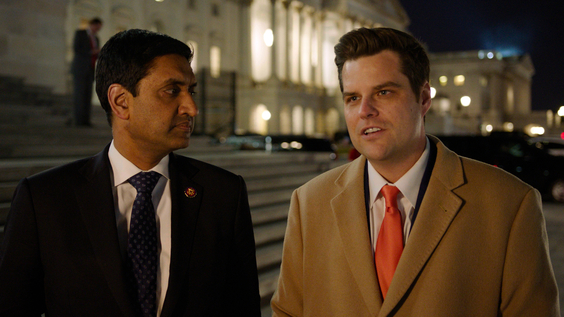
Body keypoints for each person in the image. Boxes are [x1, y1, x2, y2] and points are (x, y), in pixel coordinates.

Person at [271, 27, 560, 316]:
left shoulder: (510, 204)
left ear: (423, 98)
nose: (365, 111)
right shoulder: (309, 202)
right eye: (353, 98)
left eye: (383, 92)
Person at [0, 29, 261, 316]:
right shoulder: (44, 199)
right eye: (172, 90)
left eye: (191, 91)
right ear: (121, 101)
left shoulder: (224, 193)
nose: (192, 108)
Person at [71, 17, 102, 127]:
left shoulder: (96, 38)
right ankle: (78, 120)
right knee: (79, 95)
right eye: (97, 27)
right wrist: (91, 51)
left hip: (90, 70)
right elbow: (76, 49)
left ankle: (85, 120)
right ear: (93, 24)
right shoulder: (80, 33)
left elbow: (96, 54)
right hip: (80, 69)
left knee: (87, 96)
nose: (97, 30)